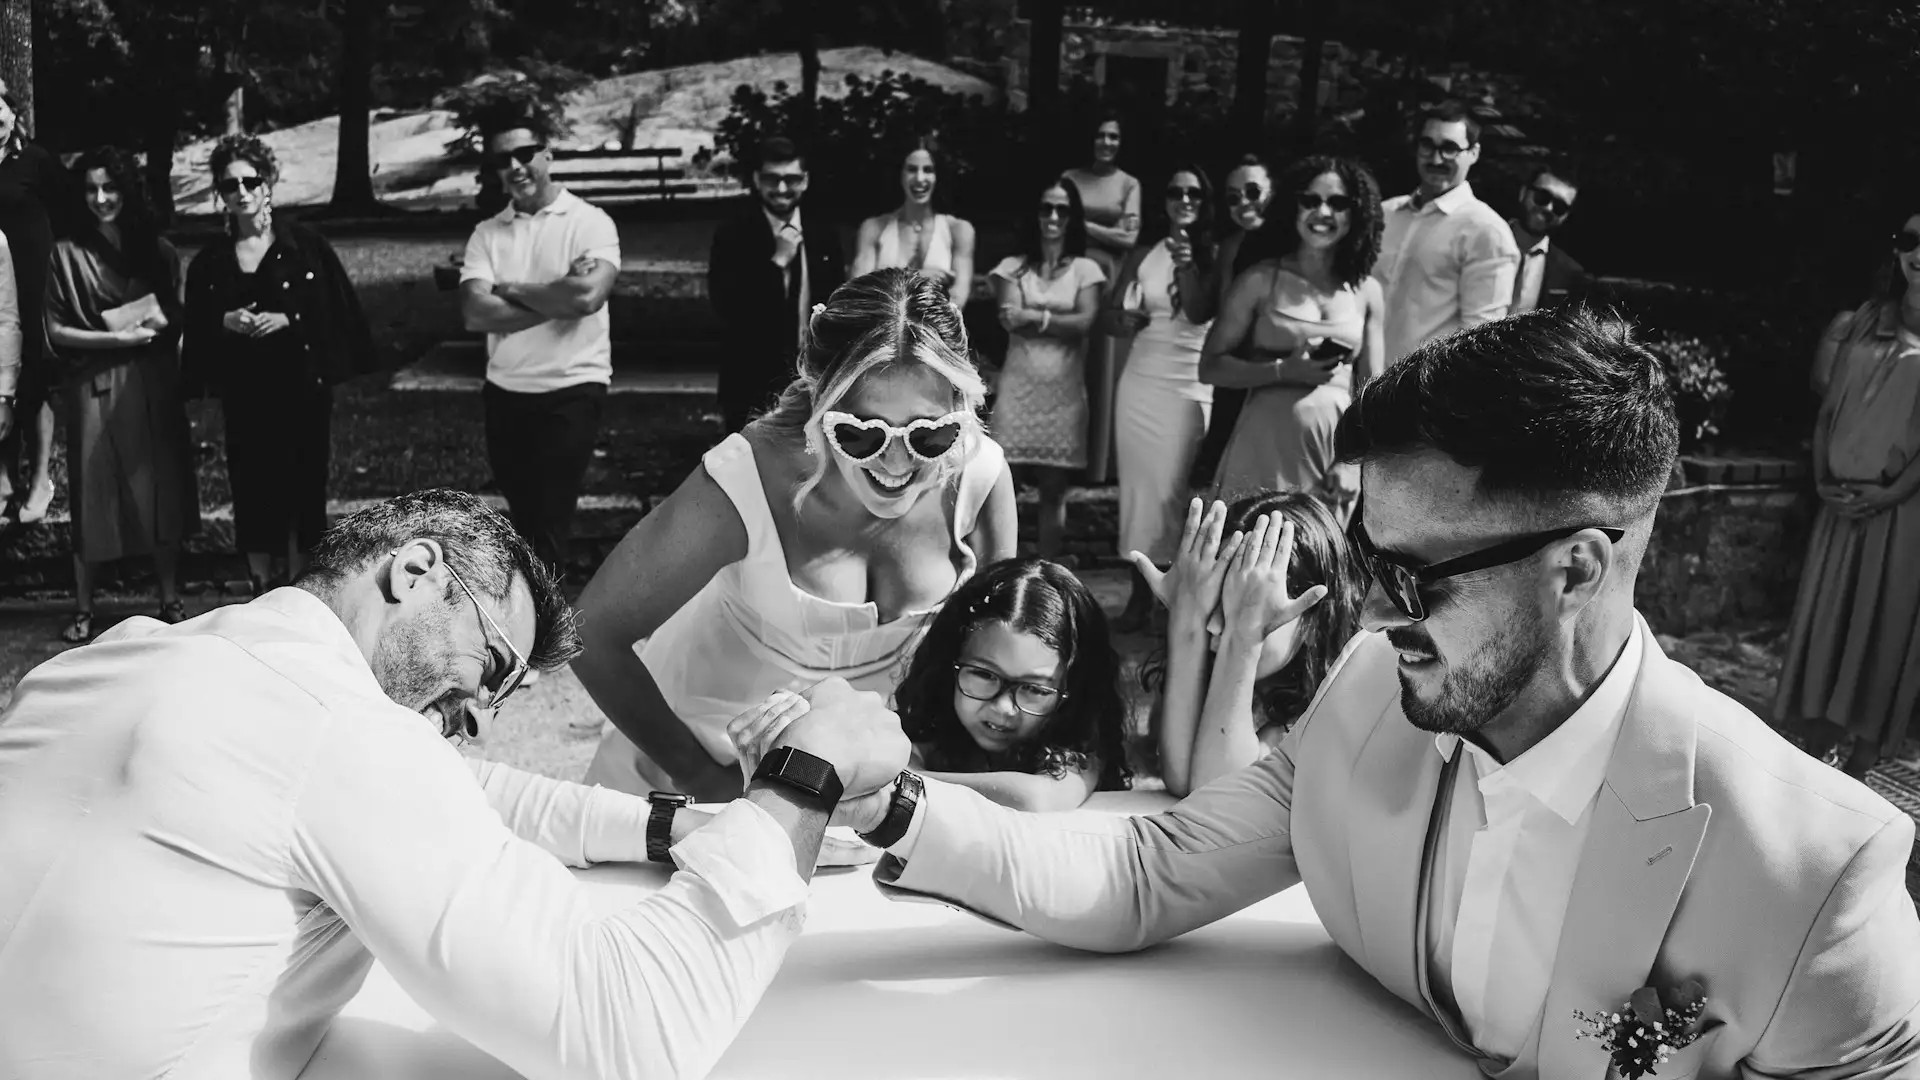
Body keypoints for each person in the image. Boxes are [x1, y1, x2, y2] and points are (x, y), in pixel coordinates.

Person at [799, 306, 1920, 1079]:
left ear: (1578, 565)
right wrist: (891, 804)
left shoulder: (1816, 877)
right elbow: (1148, 871)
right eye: (1367, 564)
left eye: (1411, 575)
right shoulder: (1368, 698)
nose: (1373, 615)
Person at [0, 489, 912, 1080]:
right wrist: (805, 776)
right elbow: (626, 1033)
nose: (478, 714)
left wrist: (677, 828)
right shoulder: (337, 729)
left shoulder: (129, 654)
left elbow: (463, 788)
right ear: (417, 569)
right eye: (494, 664)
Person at [573, 268, 1016, 799]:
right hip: (709, 771)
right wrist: (701, 777)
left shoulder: (979, 477)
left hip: (873, 784)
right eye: (859, 433)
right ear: (818, 400)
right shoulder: (744, 480)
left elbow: (997, 660)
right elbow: (591, 633)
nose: (896, 462)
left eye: (929, 433)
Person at [183, 135, 374, 591]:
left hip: (301, 389)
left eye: (252, 181)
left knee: (305, 488)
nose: (242, 192)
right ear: (220, 194)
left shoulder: (306, 247)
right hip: (245, 394)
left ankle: (302, 587)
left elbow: (340, 315)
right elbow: (195, 331)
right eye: (231, 185)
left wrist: (290, 318)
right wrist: (224, 319)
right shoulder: (210, 262)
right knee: (251, 490)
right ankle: (261, 587)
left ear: (269, 185)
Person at [1773, 212, 1920, 779]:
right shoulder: (1856, 323)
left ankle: (1858, 766)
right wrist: (1821, 484)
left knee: (1885, 623)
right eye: (1909, 239)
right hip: (1838, 505)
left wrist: (1890, 496)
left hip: (1902, 511)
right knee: (1829, 620)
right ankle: (1813, 750)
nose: (1918, 252)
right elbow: (1828, 411)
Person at [809, 556, 1130, 811]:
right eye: (985, 675)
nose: (1003, 708)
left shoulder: (1075, 755)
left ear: (1070, 694)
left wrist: (899, 780)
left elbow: (1035, 800)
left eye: (1034, 689)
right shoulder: (926, 742)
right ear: (950, 665)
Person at [43, 146, 200, 642]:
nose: (101, 198)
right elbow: (55, 330)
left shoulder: (158, 252)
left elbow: (178, 318)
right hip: (94, 382)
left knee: (160, 487)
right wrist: (116, 339)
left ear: (128, 190)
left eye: (110, 187)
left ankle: (170, 598)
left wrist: (155, 329)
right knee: (93, 490)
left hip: (152, 380)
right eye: (90, 189)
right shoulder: (64, 255)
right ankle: (85, 607)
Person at [458, 120, 620, 576]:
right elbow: (475, 313)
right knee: (527, 516)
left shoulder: (590, 222)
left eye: (525, 153)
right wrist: (558, 297)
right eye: (502, 161)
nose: (515, 167)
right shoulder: (487, 233)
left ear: (547, 155)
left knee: (548, 518)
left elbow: (588, 297)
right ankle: (537, 624)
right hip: (505, 390)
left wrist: (507, 288)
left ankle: (546, 634)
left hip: (572, 387)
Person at [1133, 492, 1364, 796]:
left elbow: (1218, 793)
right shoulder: (1225, 665)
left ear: (1312, 621)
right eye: (1213, 601)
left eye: (1244, 607)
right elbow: (1179, 779)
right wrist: (1187, 621)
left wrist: (1244, 638)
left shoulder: (1332, 705)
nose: (1215, 625)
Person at [1205, 155, 1385, 515]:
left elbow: (1373, 396)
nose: (1323, 212)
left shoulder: (1367, 291)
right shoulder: (1258, 279)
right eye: (1310, 200)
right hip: (1262, 448)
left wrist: (1352, 463)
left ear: (1356, 213)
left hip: (1332, 459)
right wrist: (1282, 371)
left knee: (1317, 567)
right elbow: (1209, 367)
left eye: (1337, 203)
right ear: (1293, 206)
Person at [1110, 164, 1218, 631]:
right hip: (1140, 380)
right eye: (1175, 191)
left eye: (1193, 192)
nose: (1184, 199)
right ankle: (1139, 593)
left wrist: (1187, 261)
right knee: (1137, 492)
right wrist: (1125, 319)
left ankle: (1172, 597)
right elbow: (1113, 313)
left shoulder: (1215, 252)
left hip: (1189, 381)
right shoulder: (1142, 252)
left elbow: (1198, 309)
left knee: (1174, 492)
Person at [989, 177, 1106, 558]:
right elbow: (1008, 319)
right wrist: (1059, 318)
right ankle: (999, 568)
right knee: (1000, 485)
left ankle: (1047, 575)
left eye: (1062, 209)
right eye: (1046, 208)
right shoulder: (1013, 267)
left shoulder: (1087, 269)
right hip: (1018, 391)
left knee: (1055, 494)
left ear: (1073, 217)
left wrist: (1032, 317)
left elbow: (1086, 323)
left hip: (1064, 393)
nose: (1053, 216)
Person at [709, 135, 848, 434]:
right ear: (757, 180)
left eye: (791, 179)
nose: (782, 188)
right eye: (772, 179)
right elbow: (729, 307)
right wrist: (777, 262)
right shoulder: (732, 235)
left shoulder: (823, 233)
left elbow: (837, 304)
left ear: (805, 180)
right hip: (750, 380)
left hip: (813, 378)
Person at [1374, 100, 1519, 365]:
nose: (1436, 158)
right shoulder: (1384, 214)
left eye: (1449, 148)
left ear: (1473, 153)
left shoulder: (1485, 230)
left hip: (1418, 392)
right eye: (1428, 145)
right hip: (1355, 381)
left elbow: (1479, 340)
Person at [0, 91, 73, 527]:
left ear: (12, 110)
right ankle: (4, 477)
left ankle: (41, 477)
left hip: (34, 283)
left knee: (35, 379)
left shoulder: (35, 160)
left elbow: (68, 217)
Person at [1062, 112, 1141, 485]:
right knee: (1070, 367)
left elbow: (1128, 239)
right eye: (1099, 135)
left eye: (1113, 136)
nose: (1106, 142)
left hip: (1110, 278)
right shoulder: (1070, 178)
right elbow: (1057, 226)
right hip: (1071, 276)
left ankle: (1100, 465)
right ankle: (1062, 458)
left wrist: (1082, 223)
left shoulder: (1129, 184)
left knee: (1103, 369)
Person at [1190, 154, 1275, 489]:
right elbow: (1210, 311)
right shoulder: (1229, 246)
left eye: (1253, 191)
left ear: (1273, 192)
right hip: (1233, 375)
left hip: (1277, 376)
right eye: (1233, 197)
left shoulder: (1293, 246)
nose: (1244, 202)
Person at [852, 142, 977, 305]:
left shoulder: (959, 230)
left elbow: (958, 301)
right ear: (900, 174)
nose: (919, 178)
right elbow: (858, 293)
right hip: (884, 328)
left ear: (938, 176)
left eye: (928, 170)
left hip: (936, 330)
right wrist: (919, 276)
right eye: (912, 169)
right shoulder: (873, 228)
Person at [1508, 161, 1593, 313]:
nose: (1548, 208)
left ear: (1566, 216)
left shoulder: (1569, 272)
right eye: (1542, 197)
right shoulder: (1480, 241)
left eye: (1560, 206)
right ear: (1523, 193)